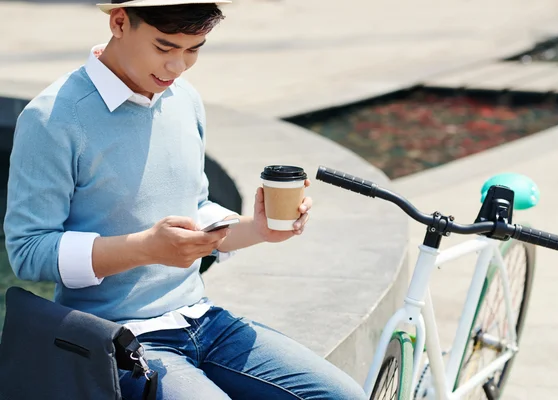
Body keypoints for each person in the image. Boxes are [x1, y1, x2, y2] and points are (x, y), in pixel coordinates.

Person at [3, 0, 368, 399]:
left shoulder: (184, 99)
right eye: (164, 48)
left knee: (342, 395)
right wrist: (145, 248)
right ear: (120, 22)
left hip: (205, 319)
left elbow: (195, 211)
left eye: (193, 49)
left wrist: (258, 230)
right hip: (117, 338)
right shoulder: (52, 118)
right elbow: (29, 251)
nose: (177, 67)